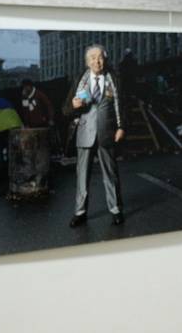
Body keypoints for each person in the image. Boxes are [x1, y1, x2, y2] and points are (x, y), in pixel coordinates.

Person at [65, 44, 125, 227]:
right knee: (82, 176)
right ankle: (80, 212)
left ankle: (116, 210)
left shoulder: (114, 79)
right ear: (87, 62)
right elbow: (65, 109)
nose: (97, 61)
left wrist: (121, 127)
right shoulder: (79, 80)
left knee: (110, 174)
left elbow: (122, 105)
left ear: (105, 59)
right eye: (92, 58)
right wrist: (73, 106)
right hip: (85, 134)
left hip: (107, 133)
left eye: (100, 57)